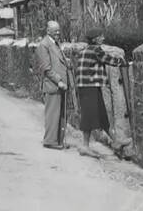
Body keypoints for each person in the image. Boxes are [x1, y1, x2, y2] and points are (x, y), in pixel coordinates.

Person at [74, 27, 125, 157]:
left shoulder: (84, 50)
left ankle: (115, 142)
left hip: (84, 86)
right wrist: (123, 62)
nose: (103, 38)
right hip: (90, 86)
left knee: (101, 115)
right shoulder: (96, 50)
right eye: (101, 36)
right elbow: (108, 60)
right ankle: (85, 146)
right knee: (89, 117)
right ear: (96, 39)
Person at [35, 21, 69, 150]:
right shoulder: (44, 45)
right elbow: (46, 68)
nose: (58, 33)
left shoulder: (55, 43)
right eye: (55, 30)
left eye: (58, 30)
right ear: (48, 31)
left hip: (60, 85)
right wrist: (59, 81)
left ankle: (59, 139)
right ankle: (49, 140)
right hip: (53, 85)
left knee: (60, 115)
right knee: (52, 114)